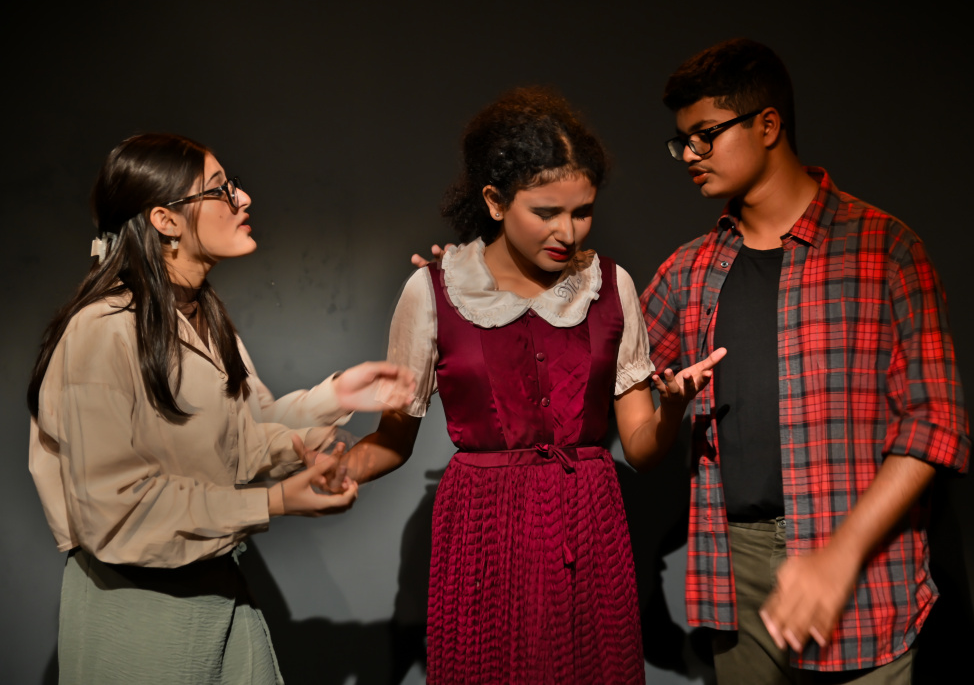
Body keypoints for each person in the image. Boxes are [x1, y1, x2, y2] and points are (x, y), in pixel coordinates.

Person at [334, 87, 724, 684]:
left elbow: (642, 451)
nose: (567, 231)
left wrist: (672, 408)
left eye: (582, 211)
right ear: (495, 201)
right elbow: (393, 441)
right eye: (545, 212)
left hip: (588, 526)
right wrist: (324, 474)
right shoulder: (434, 290)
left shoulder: (610, 286)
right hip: (482, 532)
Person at [27, 133, 416, 685]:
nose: (244, 198)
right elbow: (115, 511)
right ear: (166, 220)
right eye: (220, 190)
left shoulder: (201, 317)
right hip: (140, 617)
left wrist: (337, 397)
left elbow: (241, 436)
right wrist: (275, 501)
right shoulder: (102, 330)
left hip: (217, 595)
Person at [640, 38, 971, 682]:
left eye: (706, 135)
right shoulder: (690, 269)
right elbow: (605, 354)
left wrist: (838, 555)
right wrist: (485, 274)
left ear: (767, 125)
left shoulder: (885, 250)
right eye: (683, 141)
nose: (691, 155)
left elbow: (936, 424)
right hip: (733, 568)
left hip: (862, 567)